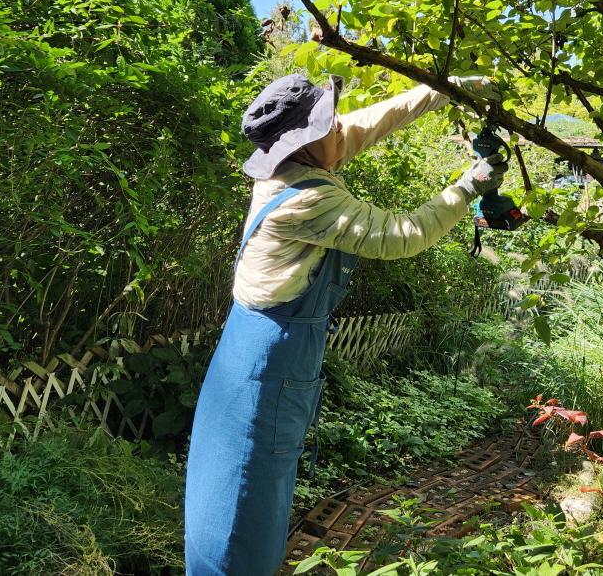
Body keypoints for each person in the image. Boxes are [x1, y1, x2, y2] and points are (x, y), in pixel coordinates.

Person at [184, 73, 507, 575]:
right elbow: (401, 235)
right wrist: (469, 185)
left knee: (240, 485)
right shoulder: (307, 201)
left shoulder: (299, 161)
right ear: (309, 141)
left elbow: (377, 120)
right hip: (267, 362)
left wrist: (451, 87)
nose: (342, 128)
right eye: (330, 124)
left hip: (248, 343)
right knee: (242, 502)